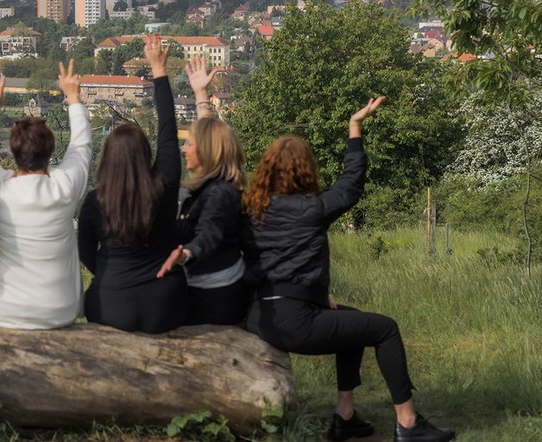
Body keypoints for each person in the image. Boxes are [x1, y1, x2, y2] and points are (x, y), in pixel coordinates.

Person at [242, 97, 455, 442]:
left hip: (259, 317)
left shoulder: (251, 213)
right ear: (305, 169)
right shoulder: (313, 209)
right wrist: (354, 128)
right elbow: (350, 183)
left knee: (352, 319)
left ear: (266, 169)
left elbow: (275, 266)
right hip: (296, 323)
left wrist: (316, 298)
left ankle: (346, 417)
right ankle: (408, 423)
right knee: (385, 329)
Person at [78, 34, 186, 333]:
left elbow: (85, 251)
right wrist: (159, 72)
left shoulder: (95, 202)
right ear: (145, 155)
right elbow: (167, 129)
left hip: (109, 304)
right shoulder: (163, 184)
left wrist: (110, 276)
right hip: (164, 304)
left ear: (108, 159)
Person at [0, 61, 91, 329]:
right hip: (59, 311)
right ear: (50, 153)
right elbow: (82, 145)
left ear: (13, 153)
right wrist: (74, 98)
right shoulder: (64, 186)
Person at [156, 55, 249, 326]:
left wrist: (186, 254)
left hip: (215, 301)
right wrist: (201, 95)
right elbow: (211, 134)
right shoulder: (220, 182)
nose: (184, 149)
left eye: (190, 144)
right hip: (213, 288)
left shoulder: (218, 194)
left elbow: (209, 233)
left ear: (206, 152)